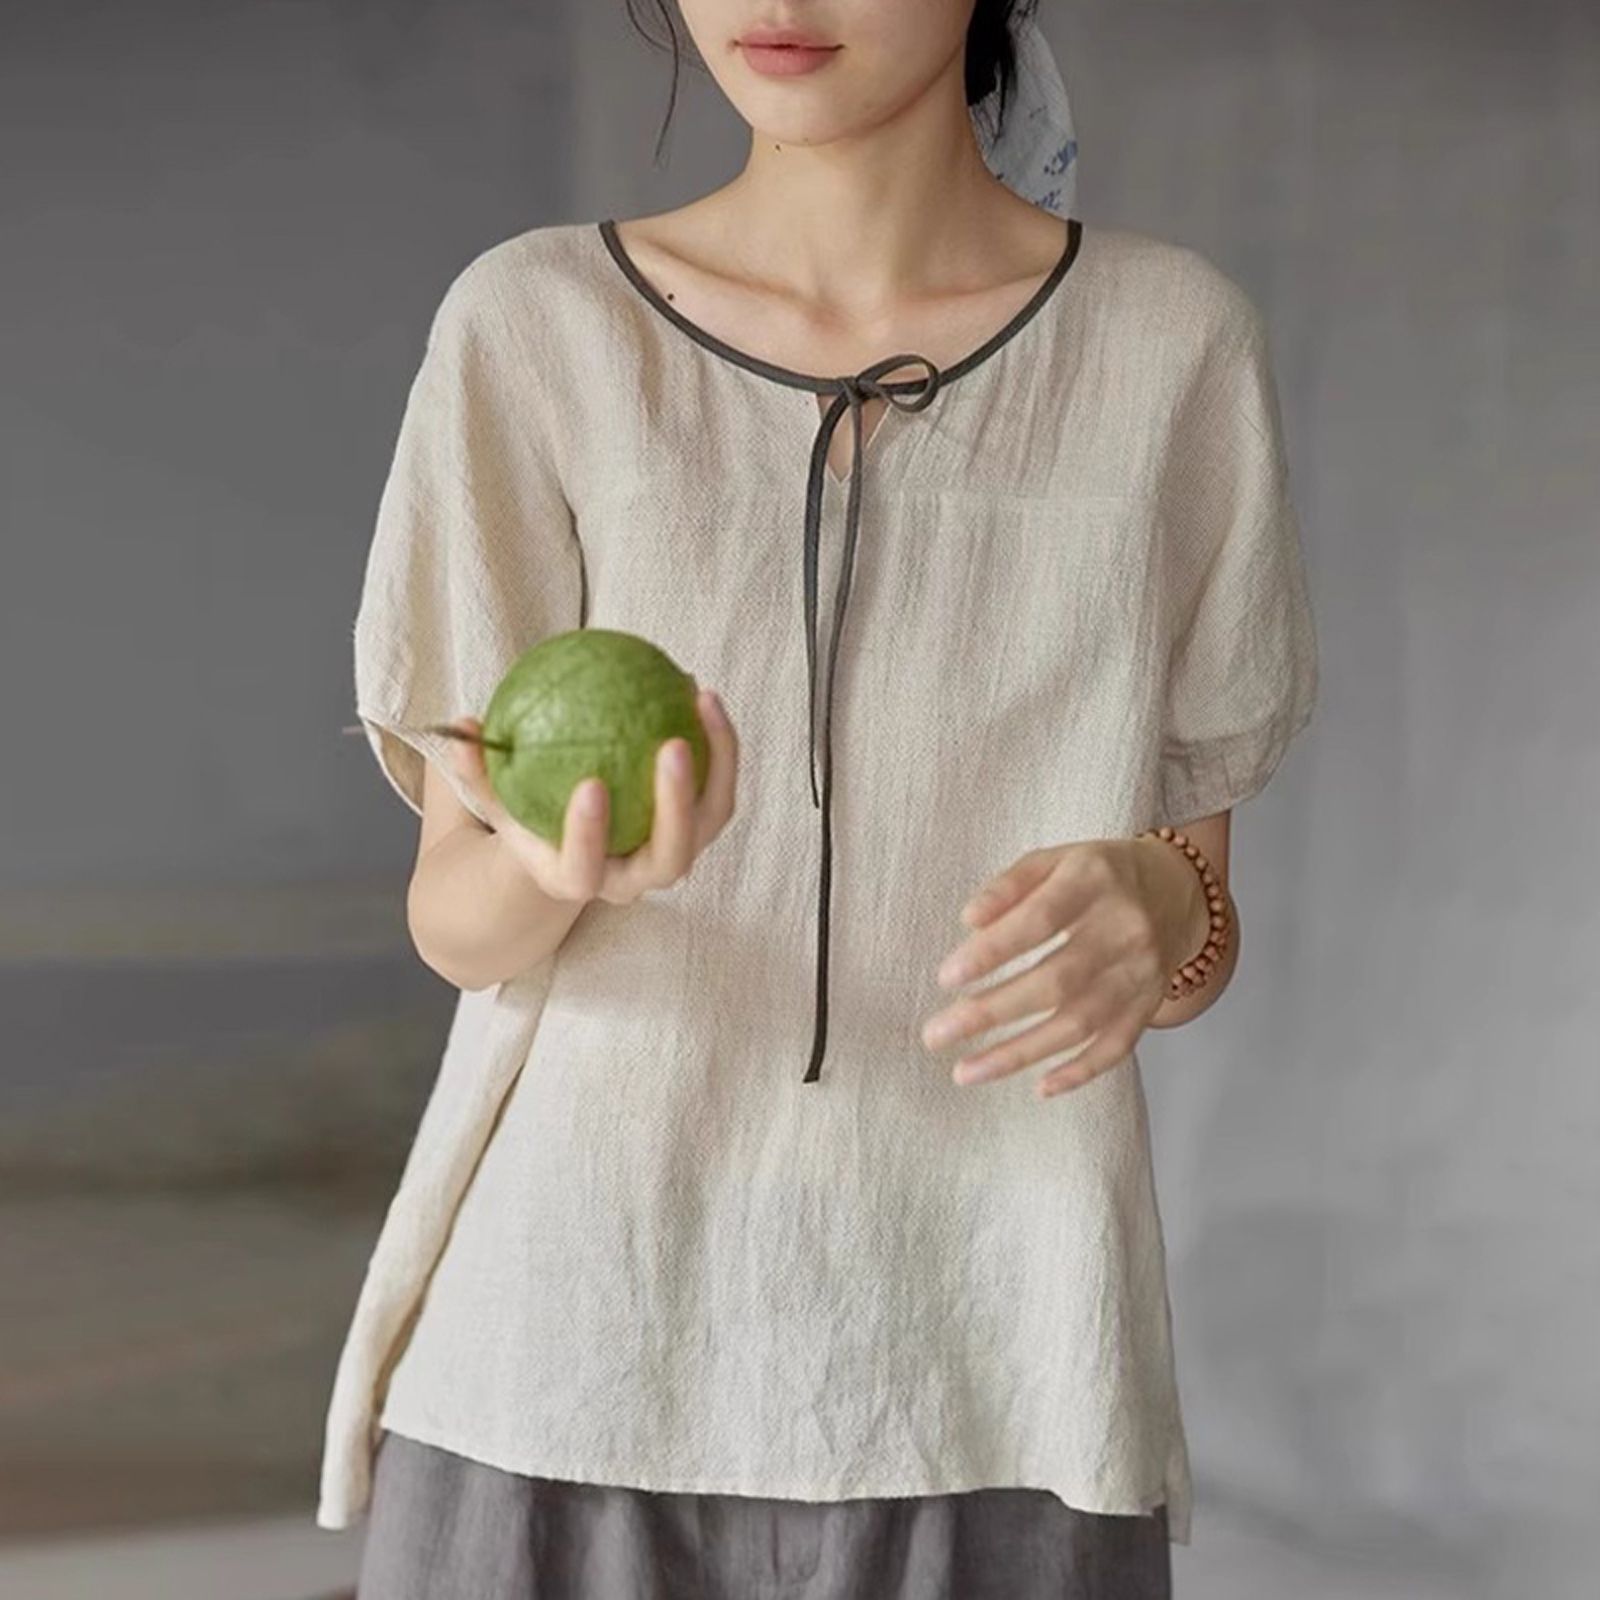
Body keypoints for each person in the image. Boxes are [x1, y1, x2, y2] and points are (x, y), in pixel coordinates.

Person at [323, 2, 1320, 1595]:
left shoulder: (1172, 346)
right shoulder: (535, 326)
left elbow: (1197, 928)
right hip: (567, 1351)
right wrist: (559, 872)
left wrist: (1159, 902)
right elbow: (455, 918)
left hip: (996, 1361)